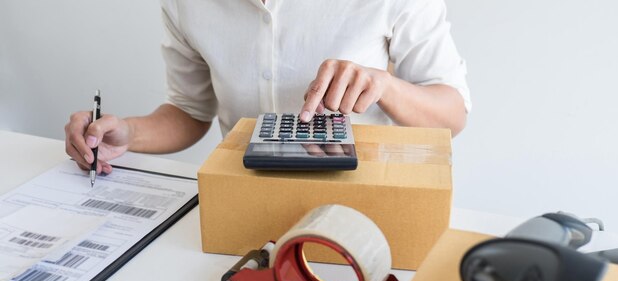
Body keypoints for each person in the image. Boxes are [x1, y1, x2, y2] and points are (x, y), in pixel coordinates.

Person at [65, 0, 471, 174]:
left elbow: (452, 113)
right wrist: (129, 133)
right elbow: (190, 110)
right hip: (244, 199)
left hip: (363, 201)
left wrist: (385, 86)